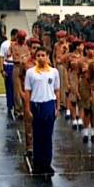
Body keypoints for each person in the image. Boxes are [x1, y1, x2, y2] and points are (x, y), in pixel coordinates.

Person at [23, 46, 61, 174]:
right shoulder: (30, 72)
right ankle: (37, 162)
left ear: (47, 56)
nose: (40, 58)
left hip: (49, 104)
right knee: (37, 135)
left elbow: (57, 90)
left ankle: (47, 163)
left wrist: (57, 107)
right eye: (38, 55)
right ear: (35, 57)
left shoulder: (54, 72)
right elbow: (27, 92)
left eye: (43, 55)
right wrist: (27, 109)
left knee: (48, 135)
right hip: (36, 105)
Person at [0, 28, 18, 117]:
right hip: (8, 65)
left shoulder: (19, 44)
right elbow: (1, 57)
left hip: (17, 65)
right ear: (13, 35)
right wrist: (2, 69)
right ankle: (10, 105)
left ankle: (17, 106)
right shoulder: (5, 44)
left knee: (17, 87)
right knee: (9, 87)